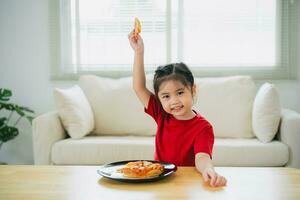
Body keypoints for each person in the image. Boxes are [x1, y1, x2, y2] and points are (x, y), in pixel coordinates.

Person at [128, 30, 227, 187]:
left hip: (188, 182)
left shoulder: (203, 127)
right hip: (160, 180)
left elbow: (202, 157)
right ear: (160, 99)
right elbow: (139, 87)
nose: (174, 101)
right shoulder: (161, 114)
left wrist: (209, 170)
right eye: (166, 96)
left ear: (193, 90)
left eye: (180, 93)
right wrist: (139, 52)